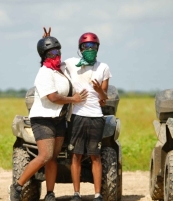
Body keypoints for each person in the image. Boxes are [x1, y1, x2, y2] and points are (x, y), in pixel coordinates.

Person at [9, 28, 88, 201]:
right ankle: (17, 186)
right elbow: (53, 97)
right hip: (43, 119)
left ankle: (50, 193)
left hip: (59, 119)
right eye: (51, 52)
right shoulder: (44, 73)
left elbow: (75, 65)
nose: (56, 55)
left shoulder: (62, 68)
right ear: (44, 56)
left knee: (52, 157)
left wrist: (47, 40)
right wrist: (73, 100)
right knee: (44, 155)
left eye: (57, 51)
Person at [63, 32, 112, 201]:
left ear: (97, 48)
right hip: (77, 115)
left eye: (93, 46)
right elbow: (50, 63)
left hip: (96, 116)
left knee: (95, 156)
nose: (89, 49)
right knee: (75, 155)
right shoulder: (71, 64)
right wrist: (46, 41)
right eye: (86, 47)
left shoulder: (103, 67)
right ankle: (76, 193)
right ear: (80, 49)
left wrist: (99, 90)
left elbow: (104, 97)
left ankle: (98, 194)